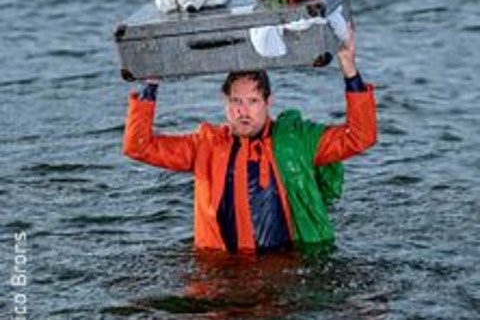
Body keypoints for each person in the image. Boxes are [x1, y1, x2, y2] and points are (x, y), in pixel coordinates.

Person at [123, 26, 377, 253]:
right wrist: (151, 84)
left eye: (253, 101)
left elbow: (360, 137)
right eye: (236, 101)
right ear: (226, 104)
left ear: (268, 103)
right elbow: (138, 146)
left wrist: (349, 69)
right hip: (221, 271)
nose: (243, 111)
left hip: (287, 268)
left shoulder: (298, 140)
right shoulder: (205, 146)